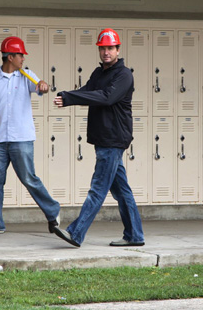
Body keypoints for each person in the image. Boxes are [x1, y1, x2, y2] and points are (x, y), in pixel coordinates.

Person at [51, 28, 145, 248]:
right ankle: (134, 235)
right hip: (103, 139)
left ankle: (76, 232)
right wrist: (68, 98)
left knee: (98, 188)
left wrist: (69, 97)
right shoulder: (98, 73)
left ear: (118, 50)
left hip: (113, 139)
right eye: (102, 48)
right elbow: (88, 91)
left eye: (110, 48)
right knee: (122, 191)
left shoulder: (124, 75)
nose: (106, 52)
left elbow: (106, 97)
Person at [0, 36, 60, 235]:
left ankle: (53, 212)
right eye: (20, 55)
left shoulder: (27, 75)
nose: (23, 58)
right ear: (10, 56)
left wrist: (44, 86)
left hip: (22, 138)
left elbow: (40, 86)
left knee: (29, 179)